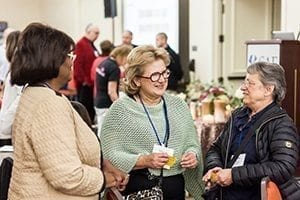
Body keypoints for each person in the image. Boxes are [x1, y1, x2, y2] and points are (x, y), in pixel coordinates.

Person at [8, 22, 128, 200]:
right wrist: (104, 179)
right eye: (69, 55)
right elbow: (67, 176)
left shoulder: (38, 93)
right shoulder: (47, 103)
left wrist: (101, 164)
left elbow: (61, 152)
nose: (72, 60)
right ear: (52, 59)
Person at [100, 45, 204, 199]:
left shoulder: (178, 105)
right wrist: (143, 160)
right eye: (155, 75)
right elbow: (108, 155)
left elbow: (192, 144)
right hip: (140, 190)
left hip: (175, 189)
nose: (162, 80)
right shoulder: (120, 110)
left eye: (164, 73)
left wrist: (192, 155)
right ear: (136, 80)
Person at [203, 62, 300, 200]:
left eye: (250, 83)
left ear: (268, 90)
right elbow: (215, 149)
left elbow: (283, 167)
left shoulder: (281, 124)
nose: (243, 87)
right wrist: (215, 167)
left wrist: (234, 175)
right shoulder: (237, 116)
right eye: (244, 82)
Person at [94, 45, 132, 137]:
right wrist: (120, 106)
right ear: (122, 56)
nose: (126, 63)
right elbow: (111, 91)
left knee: (101, 128)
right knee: (107, 133)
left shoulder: (104, 63)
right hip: (107, 104)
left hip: (98, 101)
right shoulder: (114, 68)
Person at [73, 23, 100, 122]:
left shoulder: (91, 45)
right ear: (88, 32)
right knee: (85, 110)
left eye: (98, 33)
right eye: (96, 33)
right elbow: (77, 65)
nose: (97, 36)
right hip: (85, 85)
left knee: (90, 110)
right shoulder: (80, 44)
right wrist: (84, 81)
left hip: (91, 83)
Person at [0, 30, 21, 147]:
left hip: (7, 129)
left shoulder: (16, 74)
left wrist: (4, 125)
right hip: (7, 126)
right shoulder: (13, 72)